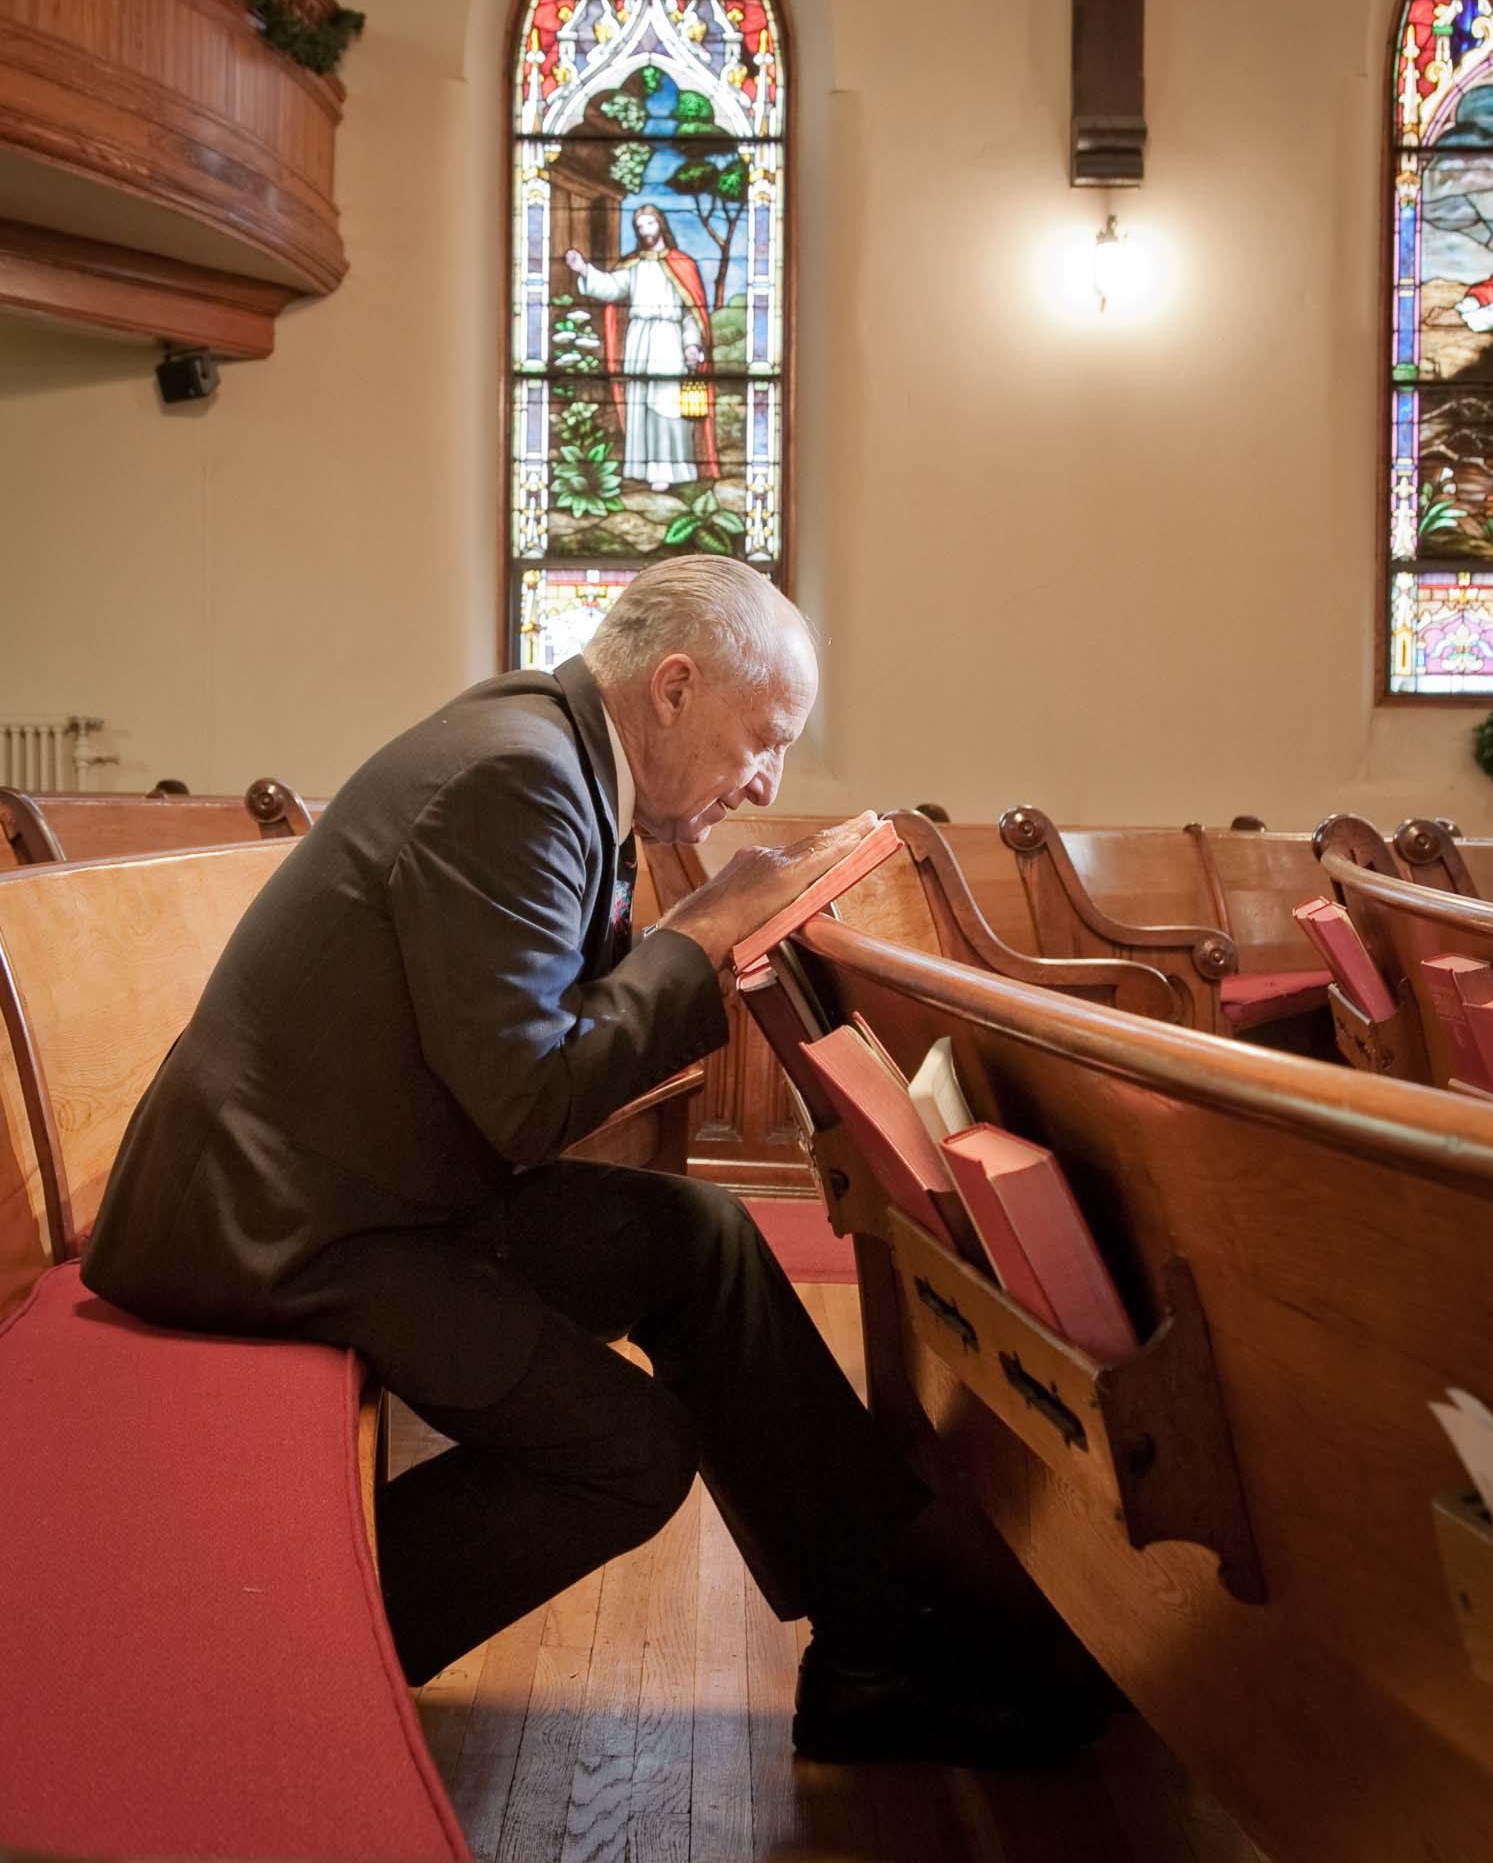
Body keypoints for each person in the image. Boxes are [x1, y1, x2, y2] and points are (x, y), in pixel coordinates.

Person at [82, 556, 1087, 1766]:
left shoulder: (551, 752)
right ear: (672, 685)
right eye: (760, 737)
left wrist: (705, 936)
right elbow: (525, 1098)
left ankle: (880, 1637)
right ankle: (281, 1644)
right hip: (276, 1226)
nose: (764, 777)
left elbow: (521, 1043)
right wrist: (704, 931)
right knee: (627, 1451)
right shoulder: (515, 777)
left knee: (699, 1238)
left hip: (356, 1185)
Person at [565, 204, 720, 491]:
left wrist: (691, 345)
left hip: (668, 337)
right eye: (640, 227)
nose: (645, 231)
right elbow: (610, 287)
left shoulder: (682, 265)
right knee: (641, 403)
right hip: (639, 339)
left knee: (667, 403)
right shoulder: (633, 266)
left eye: (649, 224)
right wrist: (584, 268)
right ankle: (643, 467)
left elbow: (691, 313)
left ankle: (673, 470)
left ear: (660, 225)